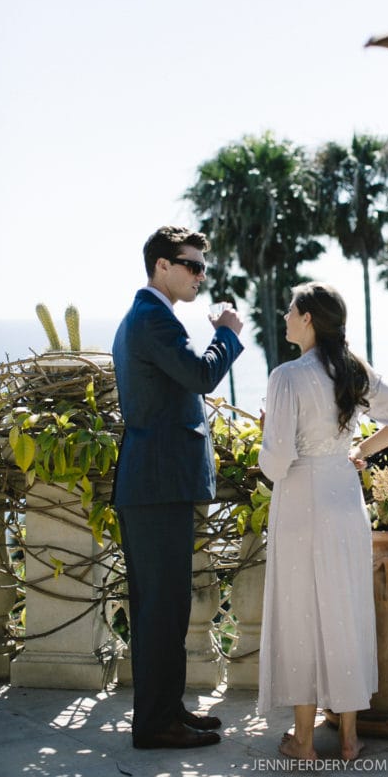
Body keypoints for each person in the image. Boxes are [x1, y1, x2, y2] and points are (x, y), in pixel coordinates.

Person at [257, 281, 388, 761]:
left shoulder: (286, 376)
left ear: (308, 318)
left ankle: (304, 740)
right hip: (343, 496)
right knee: (344, 605)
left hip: (299, 498)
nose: (285, 315)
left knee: (300, 609)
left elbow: (277, 460)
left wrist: (269, 431)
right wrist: (361, 449)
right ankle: (350, 738)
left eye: (291, 309)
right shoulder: (353, 371)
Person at [112, 225, 244, 750]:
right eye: (191, 265)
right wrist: (229, 333)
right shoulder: (151, 318)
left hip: (153, 483)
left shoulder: (149, 317)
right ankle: (155, 724)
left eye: (202, 267)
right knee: (162, 609)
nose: (200, 276)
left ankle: (165, 711)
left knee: (161, 608)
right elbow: (200, 375)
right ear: (161, 266)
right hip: (157, 484)